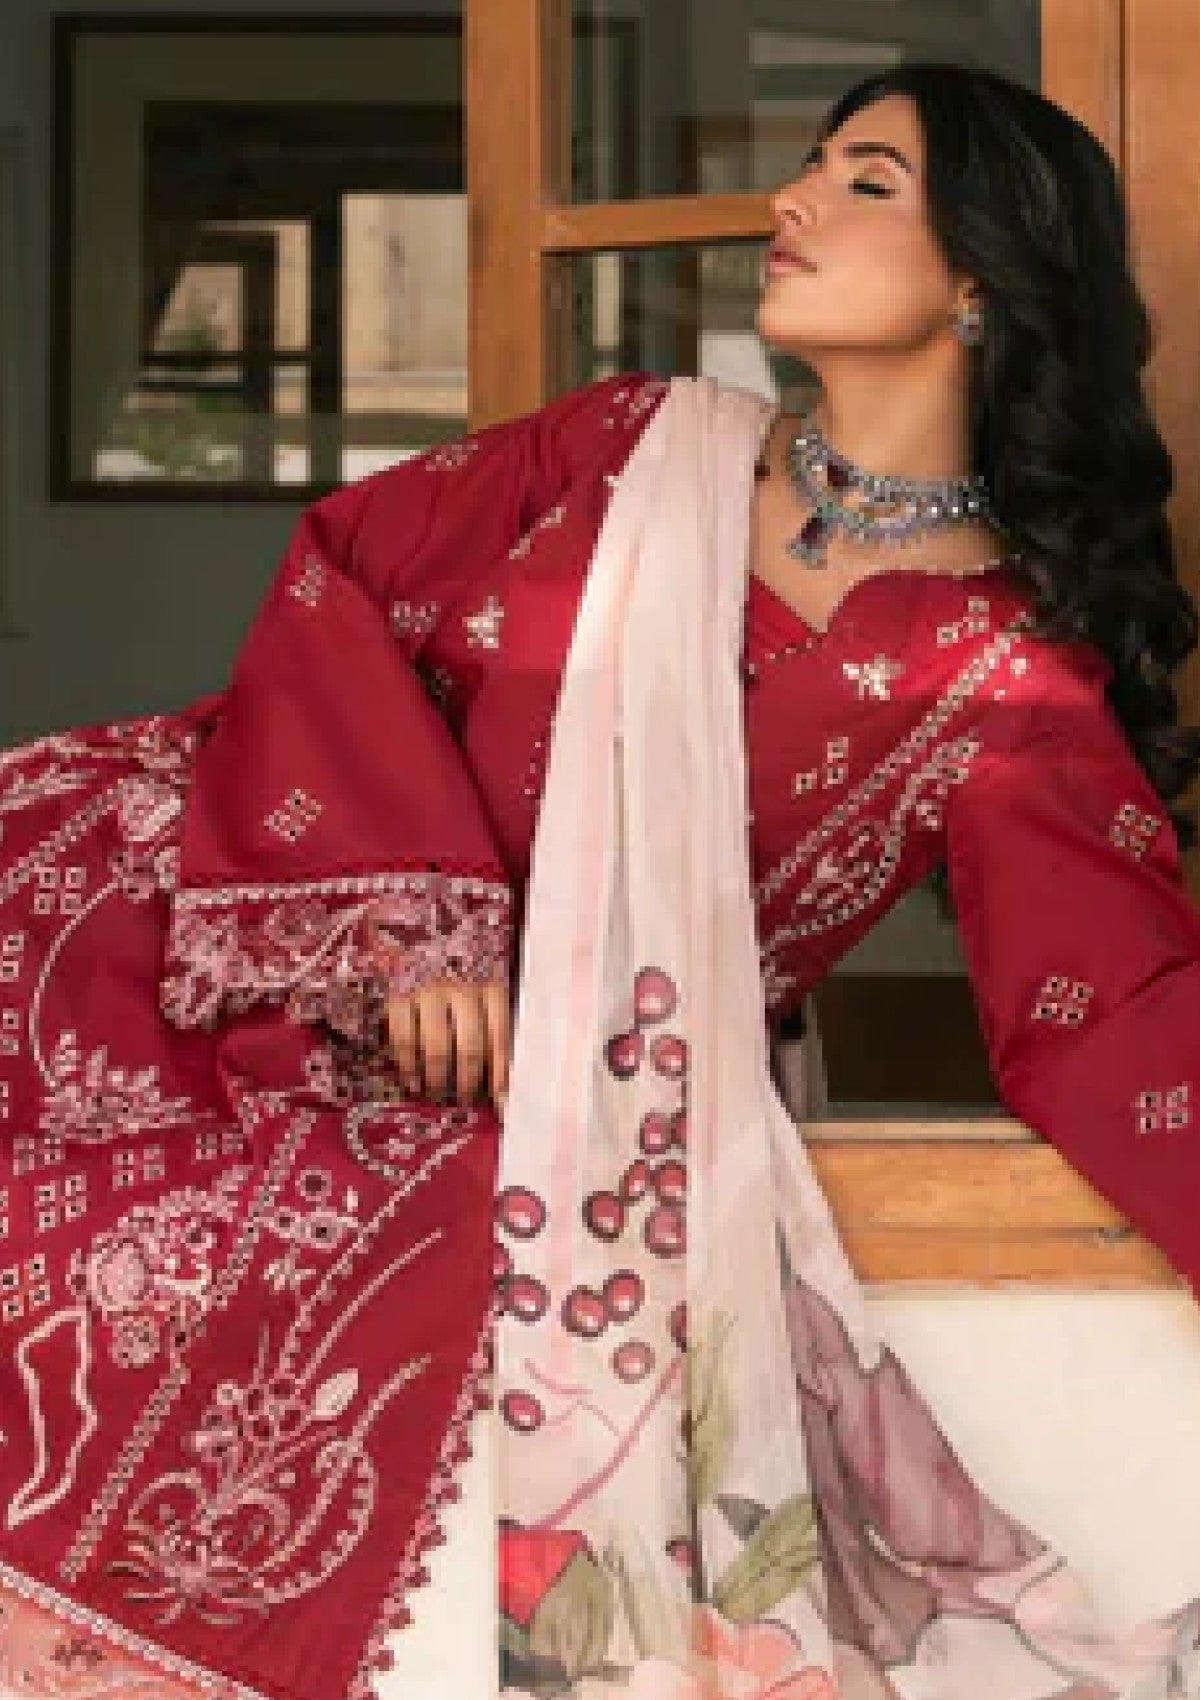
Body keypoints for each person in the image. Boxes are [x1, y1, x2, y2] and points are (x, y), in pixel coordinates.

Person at [0, 59, 1197, 1700]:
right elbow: (345, 572)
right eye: (812, 163)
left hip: (518, 1094)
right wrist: (421, 921)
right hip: (167, 899)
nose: (794, 200)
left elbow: (1110, 1010)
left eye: (866, 180)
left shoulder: (1005, 683)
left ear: (983, 280)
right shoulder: (627, 445)